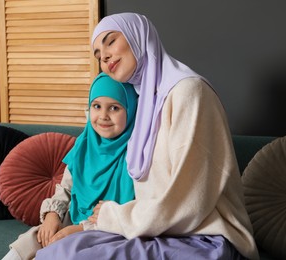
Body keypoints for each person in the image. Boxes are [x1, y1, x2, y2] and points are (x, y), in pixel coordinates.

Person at [35, 12, 259, 260]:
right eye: (98, 54)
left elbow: (189, 202)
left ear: (138, 36)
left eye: (110, 41)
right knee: (55, 252)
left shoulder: (189, 92)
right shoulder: (144, 105)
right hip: (155, 231)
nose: (105, 55)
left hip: (204, 237)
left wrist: (113, 216)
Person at [2, 72, 138, 260]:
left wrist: (81, 229)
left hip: (110, 229)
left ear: (131, 111)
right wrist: (52, 214)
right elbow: (66, 187)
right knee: (38, 236)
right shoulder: (84, 144)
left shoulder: (138, 154)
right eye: (96, 106)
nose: (103, 116)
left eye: (114, 108)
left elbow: (137, 211)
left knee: (65, 247)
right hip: (73, 218)